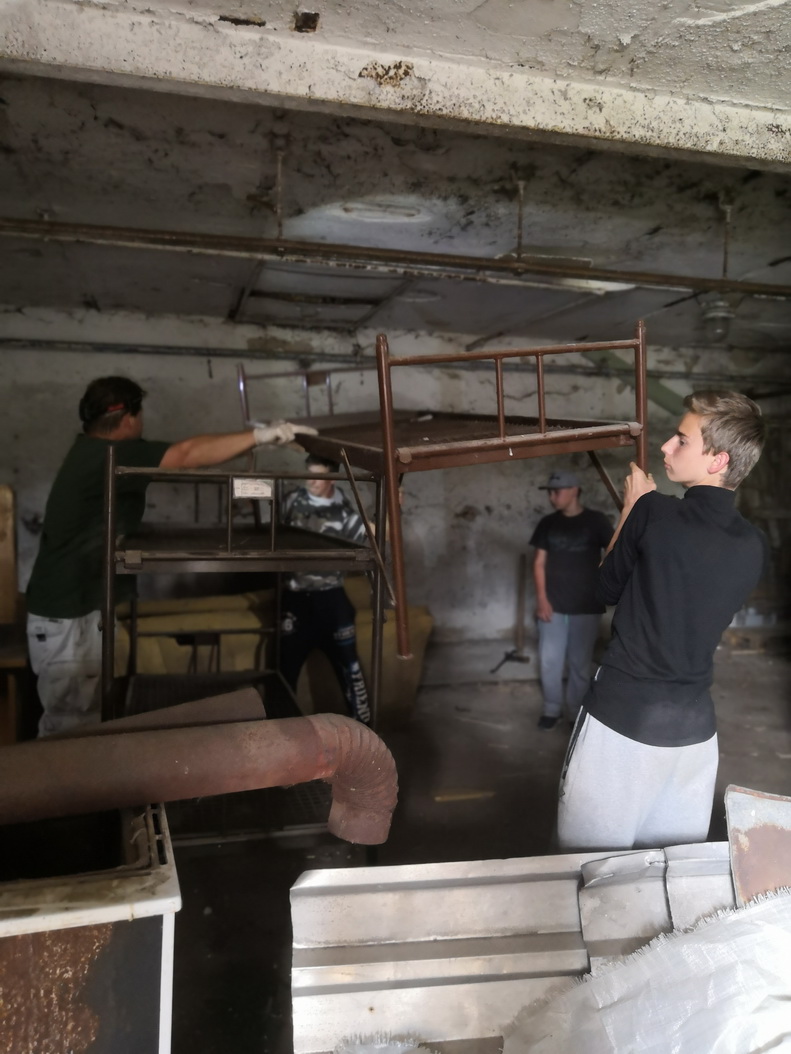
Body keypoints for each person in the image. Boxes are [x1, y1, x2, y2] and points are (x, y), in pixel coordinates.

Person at [26, 375, 315, 737]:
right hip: (68, 614)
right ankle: (66, 776)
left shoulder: (94, 452)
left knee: (84, 718)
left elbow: (188, 453)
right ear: (128, 418)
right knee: (70, 725)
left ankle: (84, 773)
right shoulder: (110, 454)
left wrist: (256, 442)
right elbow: (187, 455)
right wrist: (261, 436)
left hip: (75, 608)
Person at [556, 391, 767, 851]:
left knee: (587, 869)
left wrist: (631, 508)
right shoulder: (753, 544)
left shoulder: (654, 511)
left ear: (719, 460)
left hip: (623, 722)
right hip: (695, 736)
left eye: (682, 440)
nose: (667, 447)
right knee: (669, 872)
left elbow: (602, 591)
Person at [278, 453, 371, 724]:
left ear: (332, 477)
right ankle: (279, 732)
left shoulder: (346, 512)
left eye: (318, 476)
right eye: (309, 473)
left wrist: (393, 511)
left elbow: (374, 536)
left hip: (331, 598)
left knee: (351, 670)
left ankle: (365, 731)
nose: (311, 480)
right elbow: (273, 533)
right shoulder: (291, 501)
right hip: (295, 599)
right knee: (284, 671)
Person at [530, 470, 613, 730]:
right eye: (550, 493)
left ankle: (575, 712)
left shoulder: (597, 521)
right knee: (550, 660)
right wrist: (542, 599)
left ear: (575, 491)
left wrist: (599, 582)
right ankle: (552, 709)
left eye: (557, 492)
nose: (552, 497)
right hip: (553, 605)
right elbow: (539, 563)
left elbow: (613, 553)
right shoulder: (547, 523)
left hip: (586, 605)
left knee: (580, 663)